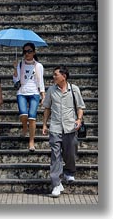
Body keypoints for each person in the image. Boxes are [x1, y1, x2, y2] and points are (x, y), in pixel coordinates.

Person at [42, 65, 86, 197]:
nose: (53, 77)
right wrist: (44, 124)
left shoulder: (74, 89)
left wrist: (79, 119)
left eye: (56, 74)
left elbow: (80, 107)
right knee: (55, 157)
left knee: (70, 152)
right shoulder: (51, 90)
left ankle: (69, 171)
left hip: (70, 127)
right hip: (55, 127)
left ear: (64, 76)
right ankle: (56, 184)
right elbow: (47, 108)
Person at [13, 42, 45, 151]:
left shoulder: (38, 66)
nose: (27, 53)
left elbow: (41, 81)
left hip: (34, 92)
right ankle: (24, 127)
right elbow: (15, 80)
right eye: (25, 51)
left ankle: (31, 141)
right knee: (23, 114)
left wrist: (43, 94)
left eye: (29, 51)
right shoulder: (20, 64)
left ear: (34, 52)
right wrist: (14, 69)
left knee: (32, 117)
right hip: (22, 91)